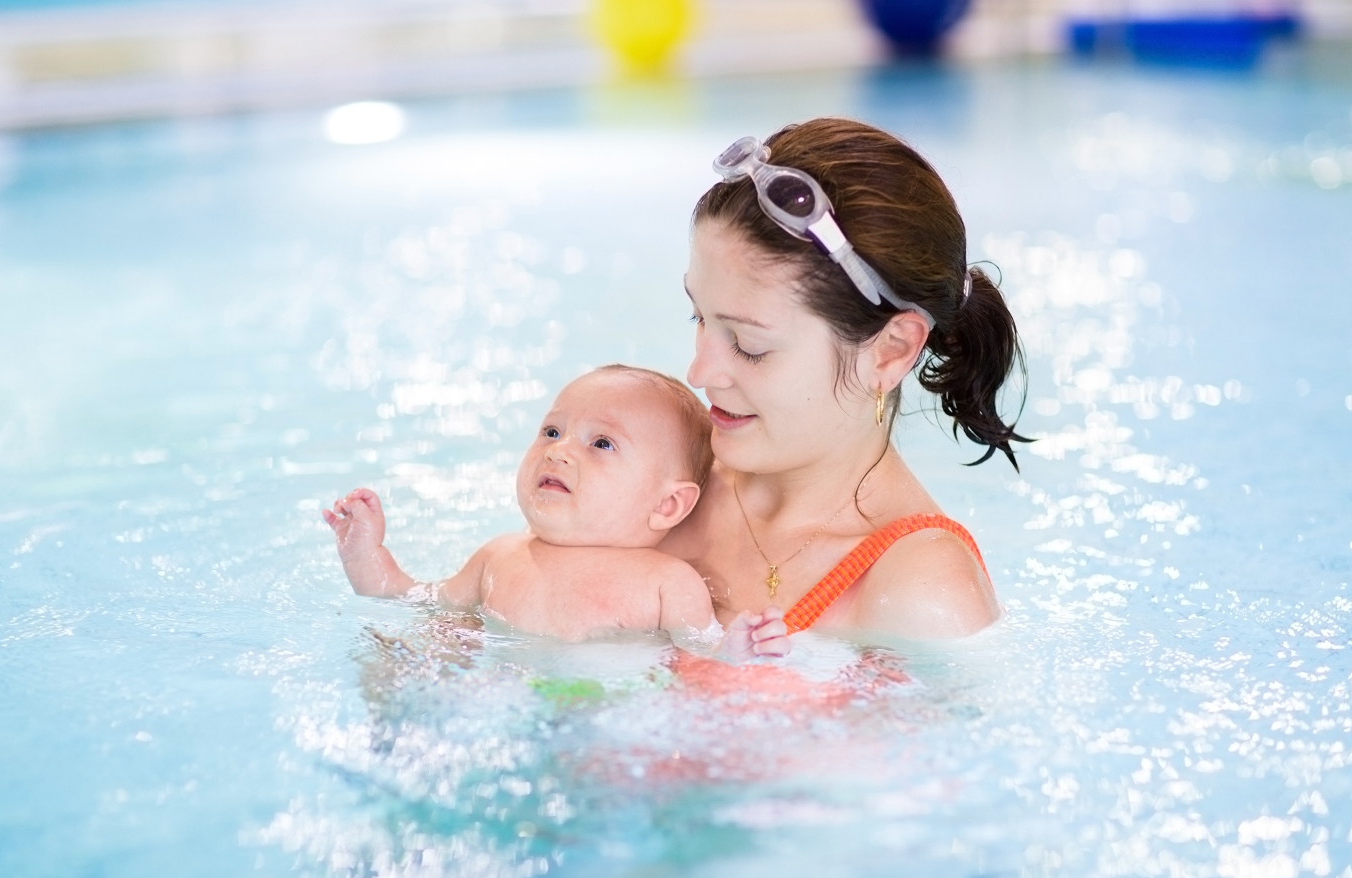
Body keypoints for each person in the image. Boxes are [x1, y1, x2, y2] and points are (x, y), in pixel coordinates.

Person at [660, 118, 1028, 641]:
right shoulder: (660, 476)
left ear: (891, 350)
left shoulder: (919, 592)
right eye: (699, 317)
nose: (699, 373)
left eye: (751, 346)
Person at [323, 365, 789, 659]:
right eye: (551, 431)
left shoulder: (667, 582)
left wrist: (738, 647)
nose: (559, 451)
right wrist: (366, 553)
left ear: (667, 505)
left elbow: (701, 649)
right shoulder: (499, 556)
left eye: (601, 443)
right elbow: (414, 600)